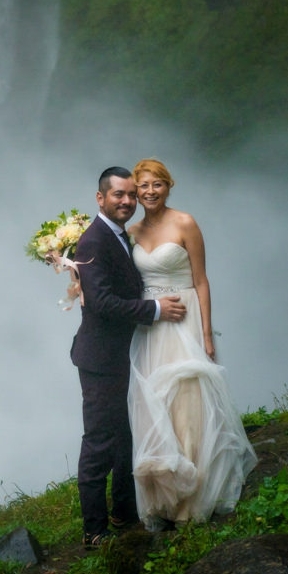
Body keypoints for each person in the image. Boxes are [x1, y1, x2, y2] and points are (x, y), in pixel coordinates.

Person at [126, 158, 257, 527]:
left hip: (184, 318)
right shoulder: (132, 231)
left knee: (187, 400)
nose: (150, 192)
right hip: (151, 326)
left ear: (168, 186)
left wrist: (206, 334)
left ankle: (193, 495)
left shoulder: (185, 223)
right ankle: (164, 496)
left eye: (157, 185)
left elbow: (201, 280)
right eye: (144, 187)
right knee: (155, 404)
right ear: (136, 193)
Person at [64, 167, 187, 547]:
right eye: (119, 195)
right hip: (101, 359)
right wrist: (153, 310)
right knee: (100, 441)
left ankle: (122, 512)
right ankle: (94, 531)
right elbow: (100, 302)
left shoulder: (116, 236)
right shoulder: (94, 240)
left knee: (125, 436)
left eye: (132, 195)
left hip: (123, 353)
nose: (128, 201)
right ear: (100, 198)